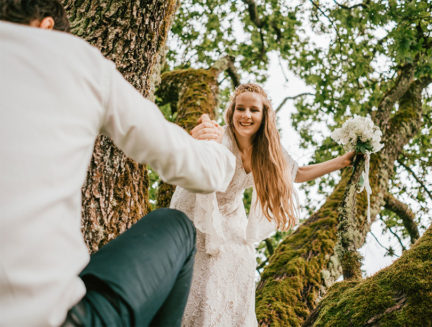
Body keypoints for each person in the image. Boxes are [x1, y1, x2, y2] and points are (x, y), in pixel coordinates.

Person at [0, 0, 235, 326]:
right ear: (48, 28)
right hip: (49, 319)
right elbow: (200, 169)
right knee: (176, 225)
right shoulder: (75, 60)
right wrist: (215, 147)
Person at [171, 83, 356, 326]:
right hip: (197, 207)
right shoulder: (220, 137)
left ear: (264, 115)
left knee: (242, 262)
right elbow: (196, 152)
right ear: (232, 112)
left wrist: (342, 161)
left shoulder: (268, 148)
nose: (246, 115)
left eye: (253, 110)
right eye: (240, 109)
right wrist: (195, 140)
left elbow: (297, 172)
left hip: (231, 214)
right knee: (203, 271)